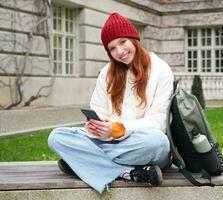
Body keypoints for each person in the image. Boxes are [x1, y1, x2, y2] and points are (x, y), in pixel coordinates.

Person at [48, 12, 174, 193]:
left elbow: (159, 122)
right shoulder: (107, 73)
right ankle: (127, 172)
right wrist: (95, 127)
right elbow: (99, 111)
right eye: (112, 48)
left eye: (123, 42)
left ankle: (83, 162)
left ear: (134, 39)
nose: (120, 52)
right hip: (109, 141)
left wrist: (118, 128)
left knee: (158, 142)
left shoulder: (161, 70)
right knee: (57, 137)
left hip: (142, 144)